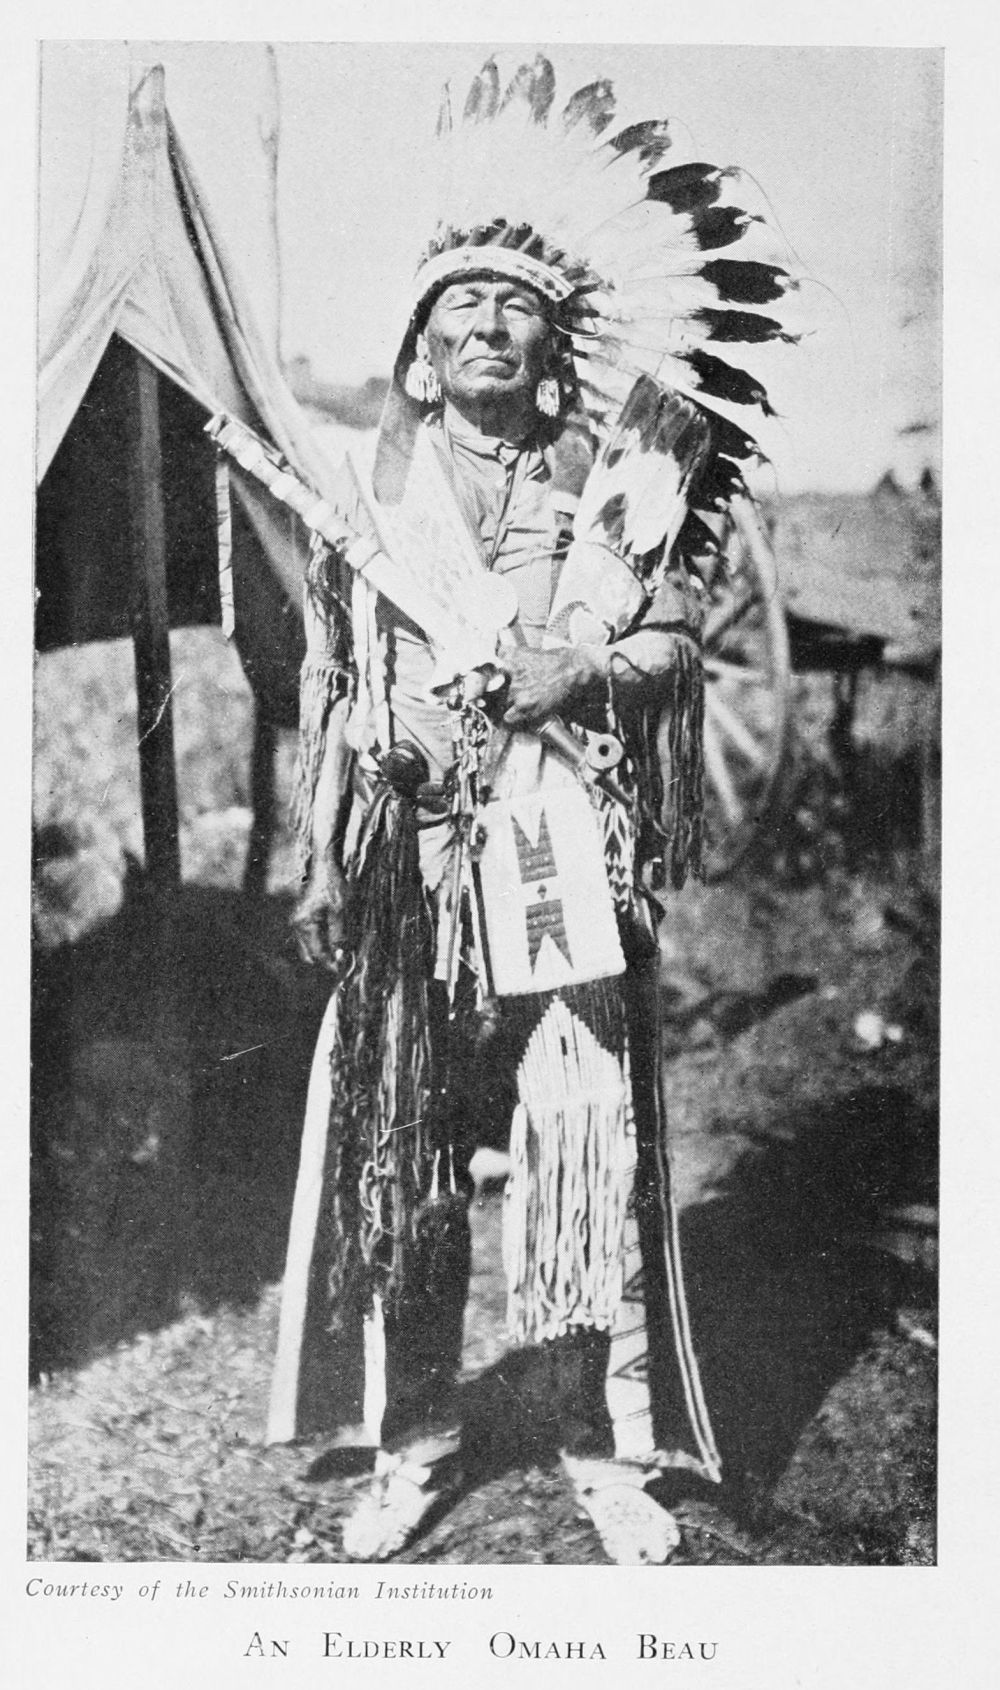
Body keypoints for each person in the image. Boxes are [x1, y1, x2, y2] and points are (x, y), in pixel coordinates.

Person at [263, 56, 795, 1564]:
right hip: (416, 873)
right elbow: (331, 683)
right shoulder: (370, 499)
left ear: (555, 353)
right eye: (462, 306)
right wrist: (351, 812)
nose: (490, 324)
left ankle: (602, 1444)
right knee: (410, 1158)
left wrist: (584, 667)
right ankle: (415, 1441)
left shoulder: (620, 486)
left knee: (584, 1158)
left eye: (518, 308)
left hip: (563, 856)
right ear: (422, 355)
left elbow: (671, 646)